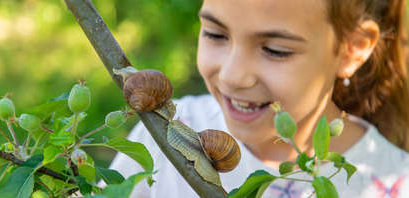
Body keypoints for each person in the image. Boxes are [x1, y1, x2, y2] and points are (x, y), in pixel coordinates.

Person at [107, 0, 409, 197]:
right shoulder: (164, 130)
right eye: (215, 34)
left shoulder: (393, 183)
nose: (232, 76)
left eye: (275, 50)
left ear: (352, 49)